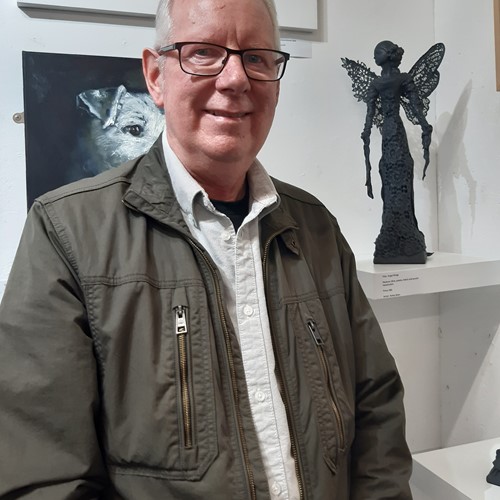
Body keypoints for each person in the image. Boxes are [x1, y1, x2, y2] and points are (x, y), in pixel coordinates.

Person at [0, 0, 413, 498]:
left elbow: (376, 408)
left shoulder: (314, 226)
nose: (236, 78)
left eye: (257, 57)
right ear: (156, 76)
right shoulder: (67, 233)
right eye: (202, 52)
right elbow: (46, 475)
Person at [361, 41, 434, 264]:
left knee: (398, 175)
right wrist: (365, 134)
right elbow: (370, 115)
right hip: (392, 133)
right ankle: (397, 233)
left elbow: (415, 107)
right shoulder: (381, 82)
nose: (374, 56)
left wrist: (425, 126)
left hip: (392, 132)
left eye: (377, 53)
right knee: (391, 176)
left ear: (386, 56)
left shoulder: (396, 80)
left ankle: (406, 233)